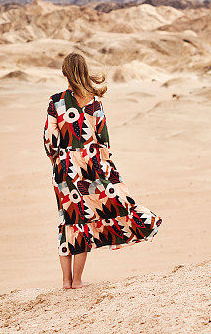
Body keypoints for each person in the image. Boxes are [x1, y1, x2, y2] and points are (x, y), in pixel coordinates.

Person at [43, 52, 161, 289]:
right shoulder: (95, 104)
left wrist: (59, 165)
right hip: (91, 166)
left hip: (64, 169)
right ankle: (77, 281)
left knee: (68, 220)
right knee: (86, 220)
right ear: (84, 72)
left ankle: (66, 281)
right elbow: (104, 142)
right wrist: (107, 172)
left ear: (65, 73)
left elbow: (49, 142)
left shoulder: (55, 102)